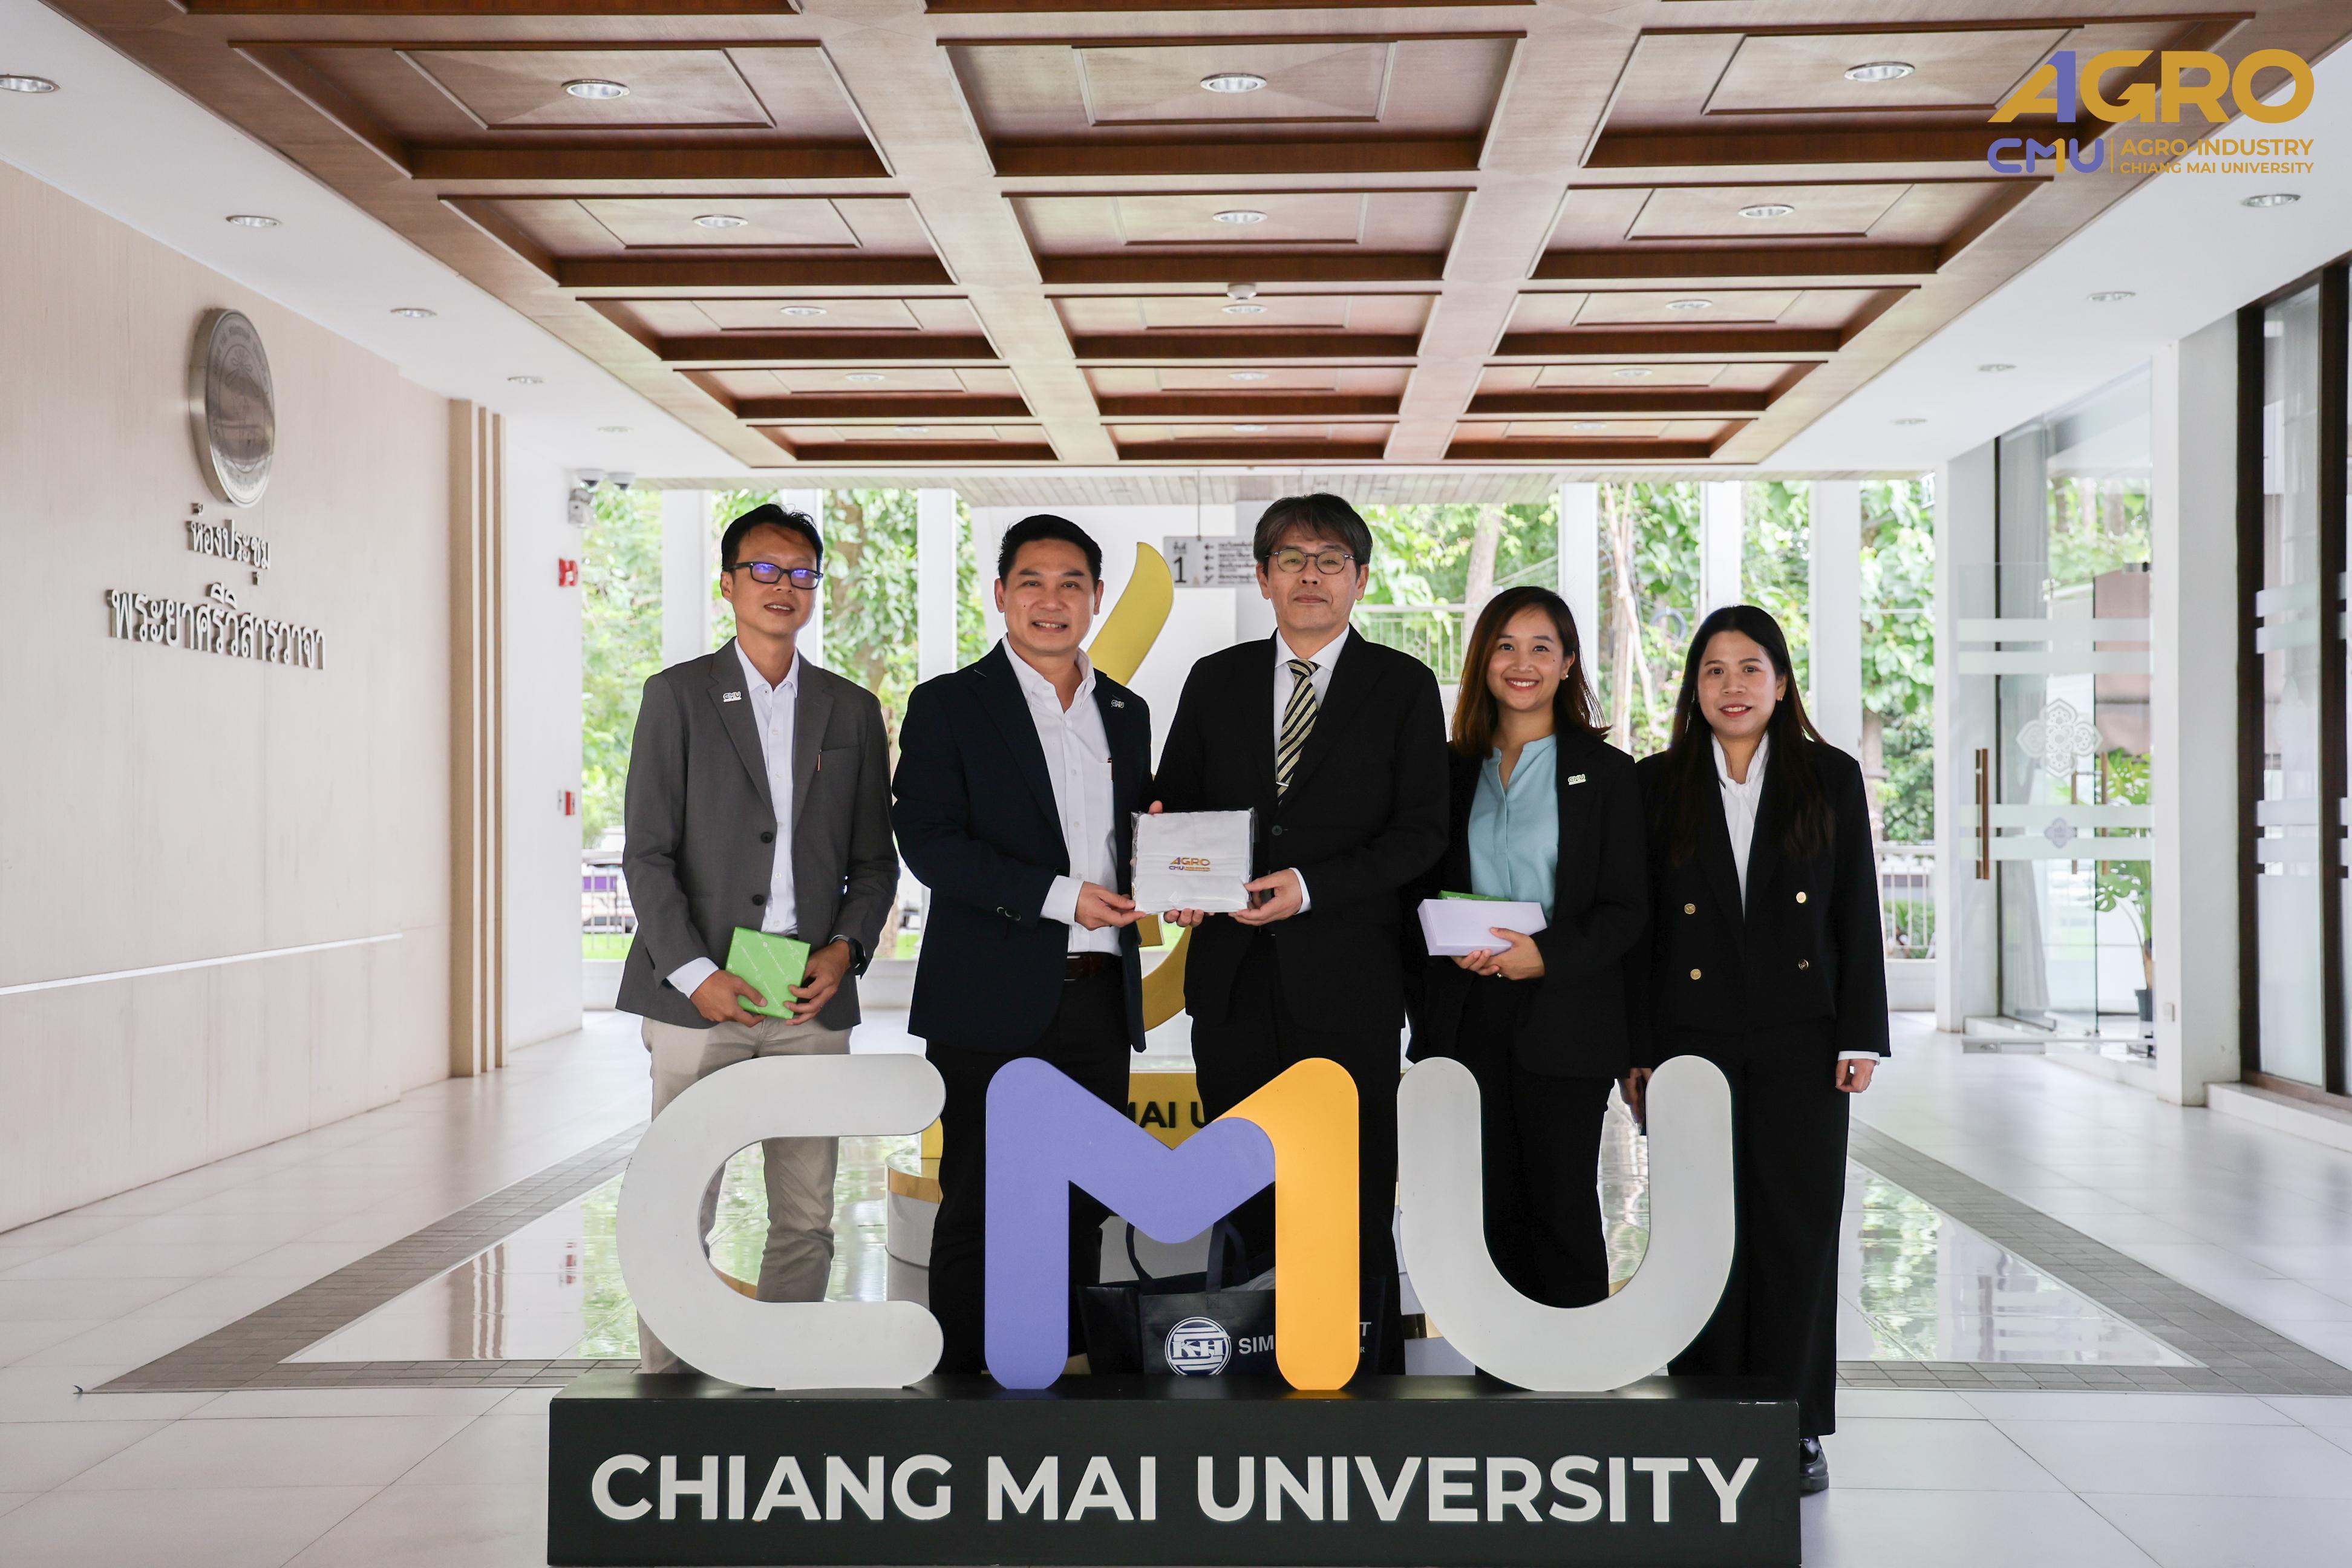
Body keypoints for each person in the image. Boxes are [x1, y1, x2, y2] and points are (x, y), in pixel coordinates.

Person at [1152, 492, 1448, 1373]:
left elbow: (1421, 833)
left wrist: (1313, 888)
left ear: (1361, 579)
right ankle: (1252, 1376)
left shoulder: (1402, 686)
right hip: (1234, 985)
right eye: (1291, 559)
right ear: (1262, 577)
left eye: (1330, 560)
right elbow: (1177, 805)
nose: (1310, 576)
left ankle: (1362, 1380)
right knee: (1246, 1193)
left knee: (1353, 1191)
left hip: (1349, 987)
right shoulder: (1216, 679)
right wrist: (1176, 881)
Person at [617, 503, 898, 1374]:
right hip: (697, 999)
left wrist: (845, 951)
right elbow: (647, 855)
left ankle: (785, 1378)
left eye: (802, 573)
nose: (784, 587)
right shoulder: (678, 696)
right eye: (765, 570)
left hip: (808, 998)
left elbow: (874, 863)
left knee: (807, 1213)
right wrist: (695, 972)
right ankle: (668, 1386)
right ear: (729, 583)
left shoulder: (851, 710)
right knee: (679, 1205)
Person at [1622, 604, 1887, 1494]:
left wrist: (1862, 1033)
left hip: (1801, 1038)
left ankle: (1793, 1422)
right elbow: (1643, 931)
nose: (1731, 686)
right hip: (1688, 1041)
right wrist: (1638, 1051)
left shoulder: (1828, 776)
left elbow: (1856, 910)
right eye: (1713, 670)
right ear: (1693, 688)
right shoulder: (1658, 784)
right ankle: (1704, 1410)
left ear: (1780, 681)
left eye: (1749, 668)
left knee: (1794, 1231)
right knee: (1698, 1230)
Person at [892, 514, 1154, 1376]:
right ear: (1002, 595)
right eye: (1032, 582)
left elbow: (1137, 840)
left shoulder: (1126, 711)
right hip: (988, 997)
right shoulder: (949, 704)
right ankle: (965, 1384)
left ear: (1097, 597)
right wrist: (1061, 898)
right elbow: (929, 843)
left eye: (1071, 583)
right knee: (979, 1197)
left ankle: (1063, 1374)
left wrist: (1177, 878)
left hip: (1099, 998)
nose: (1052, 600)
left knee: (1082, 1198)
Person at [1404, 587, 1646, 1310]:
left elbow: (1629, 908)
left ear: (1568, 663)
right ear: (1483, 660)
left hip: (1566, 1021)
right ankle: (1498, 1375)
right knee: (1488, 1216)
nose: (1523, 662)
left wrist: (1547, 955)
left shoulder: (1608, 774)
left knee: (1562, 1212)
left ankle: (1574, 1373)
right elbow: (1414, 886)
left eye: (1542, 647)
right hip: (1467, 1020)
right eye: (1506, 646)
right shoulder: (1446, 772)